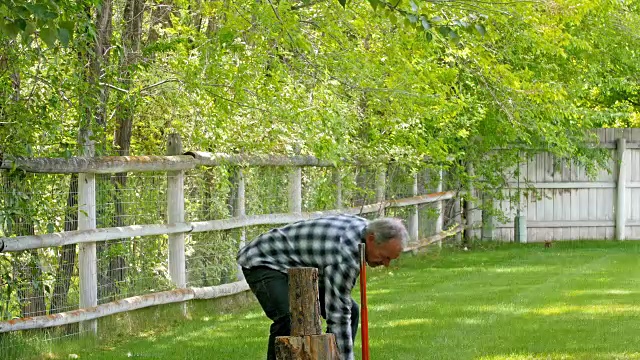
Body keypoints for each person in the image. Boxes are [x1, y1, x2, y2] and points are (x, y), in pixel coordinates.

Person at [237, 214, 408, 360]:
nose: (386, 264)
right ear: (371, 239)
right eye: (385, 257)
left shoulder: (366, 232)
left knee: (353, 310)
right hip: (264, 260)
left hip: (296, 264)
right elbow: (338, 315)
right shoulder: (346, 256)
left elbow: (342, 308)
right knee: (289, 319)